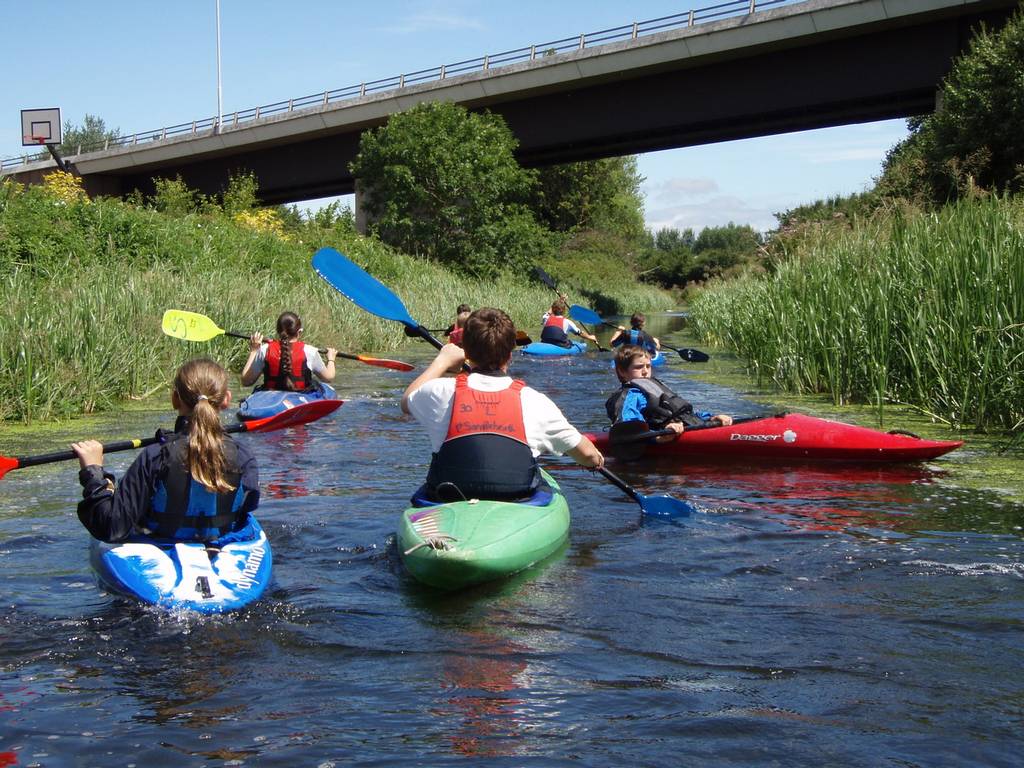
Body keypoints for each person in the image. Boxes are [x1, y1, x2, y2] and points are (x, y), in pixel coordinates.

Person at [402, 307, 604, 502]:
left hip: (449, 496)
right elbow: (587, 455)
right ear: (510, 354)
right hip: (516, 498)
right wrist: (596, 460)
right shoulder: (536, 402)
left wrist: (442, 361)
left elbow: (407, 401)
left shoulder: (440, 391)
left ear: (467, 353)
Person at [71, 358, 261, 544]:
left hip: (159, 541)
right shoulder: (244, 456)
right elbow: (249, 505)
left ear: (175, 399)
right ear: (226, 399)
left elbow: (111, 527)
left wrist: (94, 473)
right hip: (223, 541)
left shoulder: (154, 456)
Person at [606, 345, 733, 440]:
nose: (645, 371)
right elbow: (629, 429)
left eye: (648, 366)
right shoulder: (630, 395)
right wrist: (659, 437)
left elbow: (683, 413)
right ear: (622, 371)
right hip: (665, 437)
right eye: (639, 367)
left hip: (688, 427)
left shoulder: (656, 386)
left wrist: (711, 418)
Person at [241, 311, 337, 391]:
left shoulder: (264, 350)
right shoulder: (310, 351)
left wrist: (254, 351)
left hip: (271, 396)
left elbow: (246, 381)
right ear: (299, 332)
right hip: (301, 396)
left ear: (277, 331)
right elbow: (328, 378)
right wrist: (331, 359)